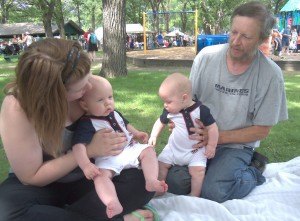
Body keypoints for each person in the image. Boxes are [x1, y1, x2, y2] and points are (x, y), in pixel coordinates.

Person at [0, 38, 158, 221]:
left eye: (88, 78)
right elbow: (31, 177)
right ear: (55, 94)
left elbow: (116, 125)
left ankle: (61, 214)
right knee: (7, 210)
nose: (90, 87)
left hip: (89, 176)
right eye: (81, 87)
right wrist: (88, 150)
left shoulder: (84, 89)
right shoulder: (17, 108)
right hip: (41, 187)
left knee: (141, 181)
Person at [165, 1, 288, 203]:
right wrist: (176, 120)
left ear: (262, 40)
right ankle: (218, 170)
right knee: (175, 182)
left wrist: (215, 138)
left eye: (246, 36)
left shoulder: (270, 75)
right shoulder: (206, 57)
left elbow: (261, 130)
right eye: (234, 32)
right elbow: (189, 102)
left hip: (236, 145)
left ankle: (253, 170)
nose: (236, 41)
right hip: (198, 140)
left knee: (213, 192)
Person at [72, 75, 167, 218]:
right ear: (85, 105)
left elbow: (125, 124)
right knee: (101, 177)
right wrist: (86, 165)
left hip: (129, 148)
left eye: (110, 97)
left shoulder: (115, 113)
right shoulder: (87, 122)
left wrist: (137, 134)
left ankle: (151, 180)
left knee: (148, 150)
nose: (107, 103)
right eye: (100, 100)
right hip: (107, 158)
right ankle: (112, 202)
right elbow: (78, 146)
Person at [148, 73, 218, 197]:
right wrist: (153, 136)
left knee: (198, 171)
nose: (165, 105)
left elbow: (212, 128)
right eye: (164, 101)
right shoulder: (169, 111)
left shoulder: (201, 110)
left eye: (168, 101)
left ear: (184, 98)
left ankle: (194, 195)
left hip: (195, 150)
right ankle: (158, 189)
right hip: (173, 148)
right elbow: (160, 122)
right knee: (161, 164)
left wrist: (211, 146)